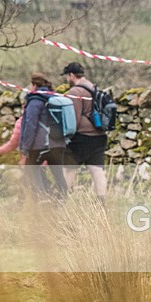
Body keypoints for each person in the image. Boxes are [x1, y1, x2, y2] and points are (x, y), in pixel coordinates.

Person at [18, 72, 74, 199]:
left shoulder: (34, 101)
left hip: (40, 145)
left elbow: (30, 125)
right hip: (58, 144)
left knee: (32, 171)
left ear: (33, 85)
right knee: (58, 175)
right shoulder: (53, 98)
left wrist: (25, 148)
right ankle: (62, 202)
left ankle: (42, 199)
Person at [61, 62, 108, 204]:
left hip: (81, 137)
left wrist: (65, 136)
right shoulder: (93, 88)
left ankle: (60, 202)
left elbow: (72, 119)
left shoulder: (75, 92)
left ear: (71, 75)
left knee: (68, 169)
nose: (67, 80)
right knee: (97, 171)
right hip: (99, 136)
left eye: (67, 76)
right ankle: (101, 203)